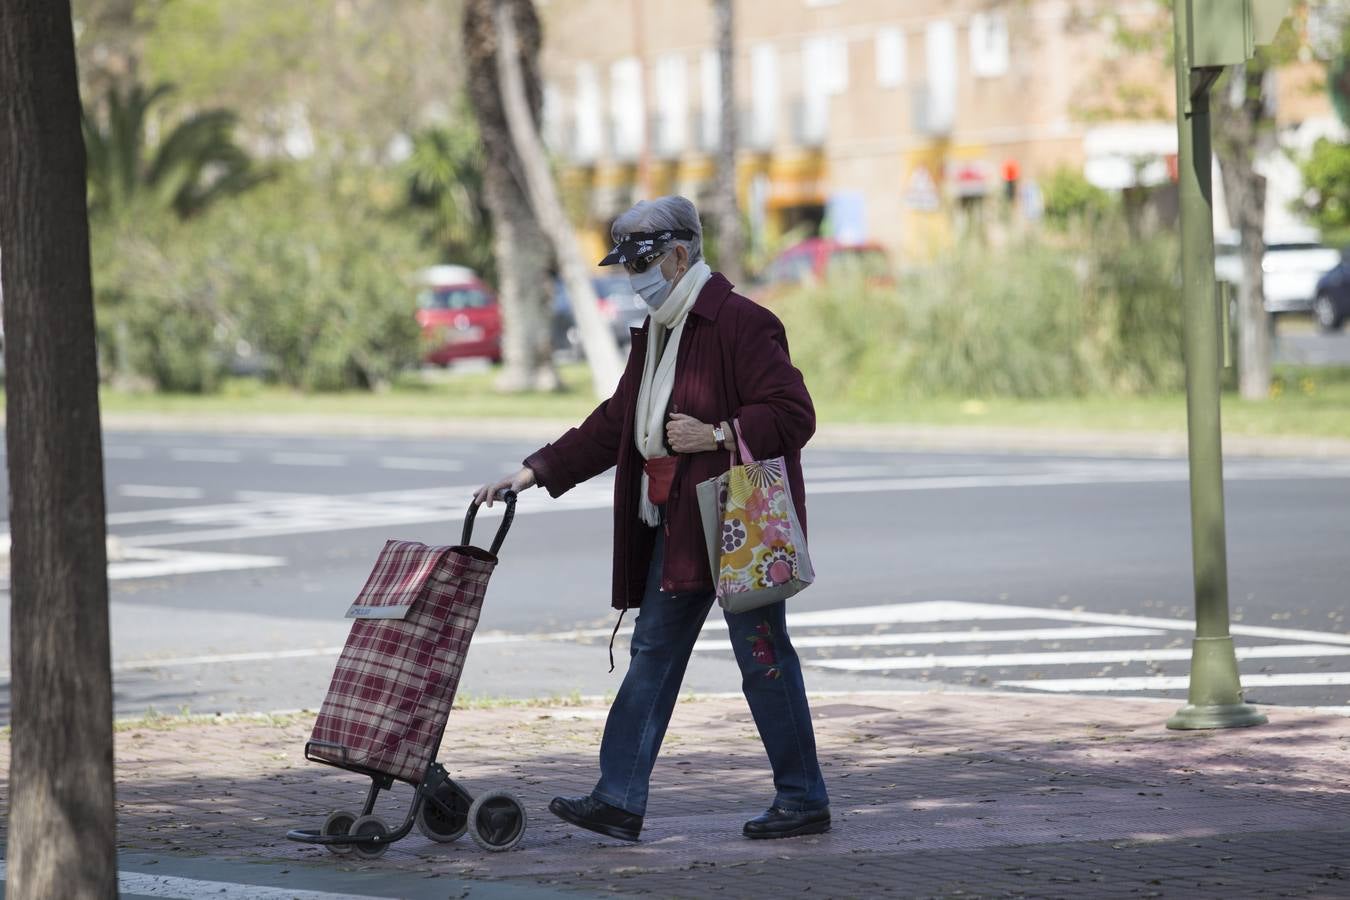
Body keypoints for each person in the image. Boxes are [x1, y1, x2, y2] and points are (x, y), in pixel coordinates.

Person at [474, 195, 828, 842]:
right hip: (677, 525)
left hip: (736, 526)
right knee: (653, 653)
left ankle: (803, 798)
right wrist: (533, 471)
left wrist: (720, 432)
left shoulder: (741, 323)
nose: (634, 279)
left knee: (761, 656)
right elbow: (618, 422)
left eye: (643, 264)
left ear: (679, 254)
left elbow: (794, 414)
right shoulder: (661, 327)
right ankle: (618, 798)